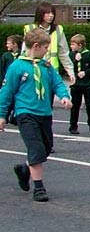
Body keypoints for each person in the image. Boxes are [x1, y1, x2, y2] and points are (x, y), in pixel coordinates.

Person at [0, 27, 71, 202]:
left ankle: (24, 169)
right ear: (36, 46)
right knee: (36, 148)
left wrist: (64, 96)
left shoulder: (45, 67)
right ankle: (39, 187)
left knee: (45, 148)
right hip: (25, 113)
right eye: (46, 47)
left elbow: (57, 83)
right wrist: (2, 115)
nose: (47, 51)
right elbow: (7, 91)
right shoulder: (17, 66)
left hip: (44, 113)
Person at [24, 1, 75, 84]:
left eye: (52, 13)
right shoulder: (30, 28)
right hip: (33, 72)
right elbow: (25, 52)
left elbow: (63, 53)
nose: (51, 15)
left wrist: (70, 71)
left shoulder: (58, 30)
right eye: (47, 13)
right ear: (40, 14)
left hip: (51, 72)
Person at [68, 33, 90, 135]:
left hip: (87, 85)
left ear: (80, 45)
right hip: (76, 85)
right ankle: (73, 126)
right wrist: (74, 60)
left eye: (73, 44)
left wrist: (86, 73)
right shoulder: (71, 55)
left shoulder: (89, 55)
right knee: (75, 106)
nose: (71, 47)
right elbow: (67, 67)